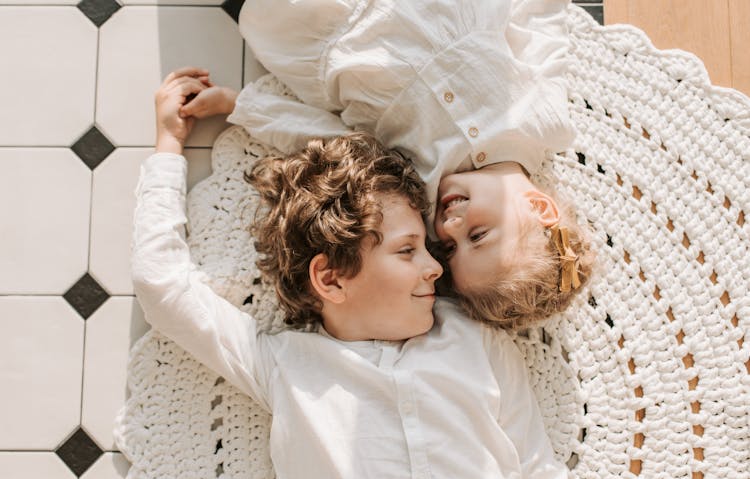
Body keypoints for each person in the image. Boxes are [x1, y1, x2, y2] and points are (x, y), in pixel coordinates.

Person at [133, 67, 572, 479]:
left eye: (429, 248)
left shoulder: (479, 342)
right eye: (407, 250)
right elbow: (163, 286)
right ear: (330, 278)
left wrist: (241, 106)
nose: (436, 268)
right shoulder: (286, 366)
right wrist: (168, 148)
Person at [180, 0, 595, 331]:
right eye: (478, 234)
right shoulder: (545, 125)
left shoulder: (415, 187)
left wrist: (242, 106)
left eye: (449, 248)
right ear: (540, 207)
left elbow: (328, 140)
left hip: (328, 33)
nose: (449, 226)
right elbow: (538, 28)